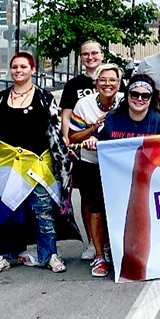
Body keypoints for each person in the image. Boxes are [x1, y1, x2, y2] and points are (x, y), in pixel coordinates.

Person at [0, 52, 76, 275]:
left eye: (23, 67)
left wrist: (62, 161)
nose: (18, 71)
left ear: (32, 70)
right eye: (14, 67)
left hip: (38, 163)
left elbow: (54, 132)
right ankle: (5, 256)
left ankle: (49, 255)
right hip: (7, 164)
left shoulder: (44, 97)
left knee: (43, 210)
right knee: (7, 211)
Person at [83, 74, 160, 282]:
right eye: (134, 94)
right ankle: (99, 255)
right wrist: (93, 140)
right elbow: (100, 139)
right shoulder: (113, 118)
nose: (139, 99)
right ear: (128, 95)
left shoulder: (159, 121)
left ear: (151, 99)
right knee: (96, 200)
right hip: (115, 179)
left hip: (146, 182)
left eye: (145, 96)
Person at [69, 64, 124, 278]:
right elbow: (72, 136)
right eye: (103, 79)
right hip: (91, 161)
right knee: (95, 206)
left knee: (117, 206)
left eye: (112, 80)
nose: (107, 84)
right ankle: (99, 254)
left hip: (119, 162)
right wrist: (92, 129)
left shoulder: (125, 99)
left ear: (119, 83)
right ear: (96, 83)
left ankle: (112, 247)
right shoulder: (84, 104)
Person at [59, 40, 104, 262]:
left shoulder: (115, 78)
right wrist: (68, 144)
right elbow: (65, 116)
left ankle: (108, 242)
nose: (90, 57)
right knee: (88, 196)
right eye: (86, 54)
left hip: (110, 149)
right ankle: (92, 243)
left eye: (94, 53)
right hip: (83, 149)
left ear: (102, 55)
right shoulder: (74, 84)